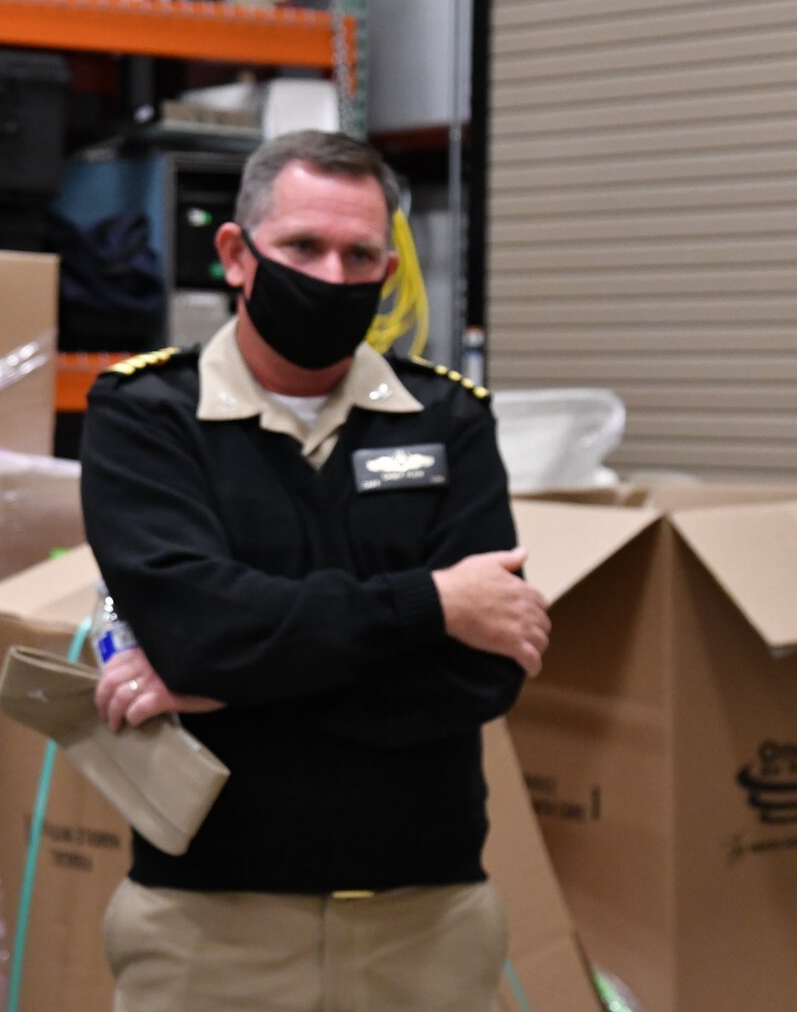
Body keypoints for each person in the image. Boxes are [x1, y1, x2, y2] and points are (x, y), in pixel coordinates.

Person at [79, 130, 550, 1012]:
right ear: (236, 253)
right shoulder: (146, 416)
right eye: (303, 247)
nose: (332, 276)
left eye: (359, 253)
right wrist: (431, 604)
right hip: (207, 931)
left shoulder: (447, 419)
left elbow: (481, 674)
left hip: (430, 926)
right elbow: (199, 633)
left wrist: (229, 681)